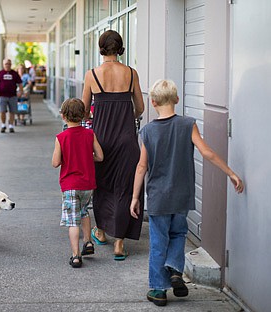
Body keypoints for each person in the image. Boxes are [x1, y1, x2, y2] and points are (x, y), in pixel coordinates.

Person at [130, 79, 244, 306]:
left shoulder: (148, 131)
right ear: (177, 100)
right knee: (178, 234)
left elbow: (141, 167)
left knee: (158, 241)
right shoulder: (188, 124)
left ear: (152, 102)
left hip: (158, 198)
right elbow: (207, 152)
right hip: (182, 195)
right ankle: (174, 269)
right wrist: (230, 172)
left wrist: (135, 197)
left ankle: (158, 290)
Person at [81, 29, 145, 260]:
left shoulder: (92, 74)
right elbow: (140, 107)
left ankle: (100, 231)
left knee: (102, 185)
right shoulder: (131, 73)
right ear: (120, 48)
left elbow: (84, 110)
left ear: (101, 48)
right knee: (125, 188)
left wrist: (95, 117)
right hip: (127, 138)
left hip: (101, 139)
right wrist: (129, 115)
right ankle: (119, 243)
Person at [52, 98, 104, 268]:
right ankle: (88, 241)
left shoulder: (61, 137)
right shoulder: (90, 134)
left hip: (70, 185)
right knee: (84, 212)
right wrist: (88, 158)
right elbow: (100, 156)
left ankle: (75, 255)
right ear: (83, 115)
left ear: (63, 116)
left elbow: (55, 162)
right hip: (88, 184)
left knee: (72, 220)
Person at [0, 59, 23, 133]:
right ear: (3, 65)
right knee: (2, 111)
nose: (7, 65)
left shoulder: (14, 74)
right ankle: (3, 125)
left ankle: (11, 126)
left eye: (9, 64)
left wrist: (20, 91)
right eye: (6, 64)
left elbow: (20, 83)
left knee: (12, 111)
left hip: (13, 96)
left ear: (11, 64)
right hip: (2, 96)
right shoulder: (0, 73)